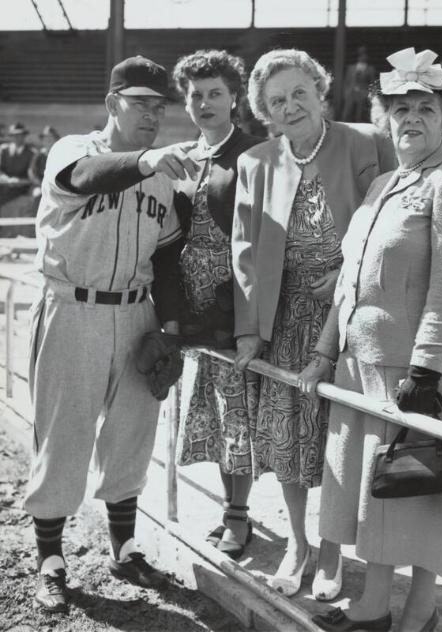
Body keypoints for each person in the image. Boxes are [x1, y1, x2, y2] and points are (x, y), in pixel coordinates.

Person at [299, 47, 442, 632]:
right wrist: (326, 351)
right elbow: (349, 282)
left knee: (420, 494)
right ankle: (373, 606)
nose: (411, 118)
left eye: (425, 108)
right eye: (399, 108)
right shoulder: (384, 183)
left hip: (412, 371)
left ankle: (418, 613)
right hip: (360, 368)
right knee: (371, 496)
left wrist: (427, 371)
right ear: (384, 117)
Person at [25, 55, 199, 614]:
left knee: (131, 435)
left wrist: (169, 329)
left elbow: (168, 262)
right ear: (112, 105)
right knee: (64, 435)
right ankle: (50, 559)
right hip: (72, 307)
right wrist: (148, 161)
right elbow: (86, 178)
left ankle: (124, 546)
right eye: (140, 103)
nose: (152, 114)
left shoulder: (166, 179)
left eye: (159, 106)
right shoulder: (74, 149)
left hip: (135, 313)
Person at [232, 48, 395, 599]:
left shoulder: (366, 142)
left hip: (348, 321)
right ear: (264, 113)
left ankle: (331, 551)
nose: (291, 106)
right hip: (283, 323)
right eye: (277, 101)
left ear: (320, 90)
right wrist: (248, 330)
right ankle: (298, 543)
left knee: (339, 443)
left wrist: (350, 271)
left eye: (299, 92)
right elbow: (245, 254)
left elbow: (392, 221)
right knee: (288, 444)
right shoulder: (255, 162)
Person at [171, 49, 262, 559]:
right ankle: (229, 506)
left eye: (215, 94)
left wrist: (241, 306)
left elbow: (265, 240)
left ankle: (238, 515)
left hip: (234, 300)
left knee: (238, 414)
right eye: (195, 95)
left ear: (234, 100)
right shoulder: (183, 155)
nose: (205, 103)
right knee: (210, 410)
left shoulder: (254, 154)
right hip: (190, 304)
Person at [0, 122, 35, 237]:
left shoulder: (31, 153)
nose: (17, 138)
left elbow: (32, 175)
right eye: (14, 135)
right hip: (5, 184)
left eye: (20, 135)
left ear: (24, 136)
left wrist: (19, 181)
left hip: (22, 187)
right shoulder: (3, 150)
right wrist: (7, 179)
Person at [341, 46, 376, 123]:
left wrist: (369, 95)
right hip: (351, 92)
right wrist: (346, 92)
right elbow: (346, 81)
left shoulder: (370, 69)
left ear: (367, 56)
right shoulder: (351, 68)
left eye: (364, 54)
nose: (362, 56)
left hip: (363, 93)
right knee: (347, 112)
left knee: (359, 114)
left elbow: (372, 83)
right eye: (361, 54)